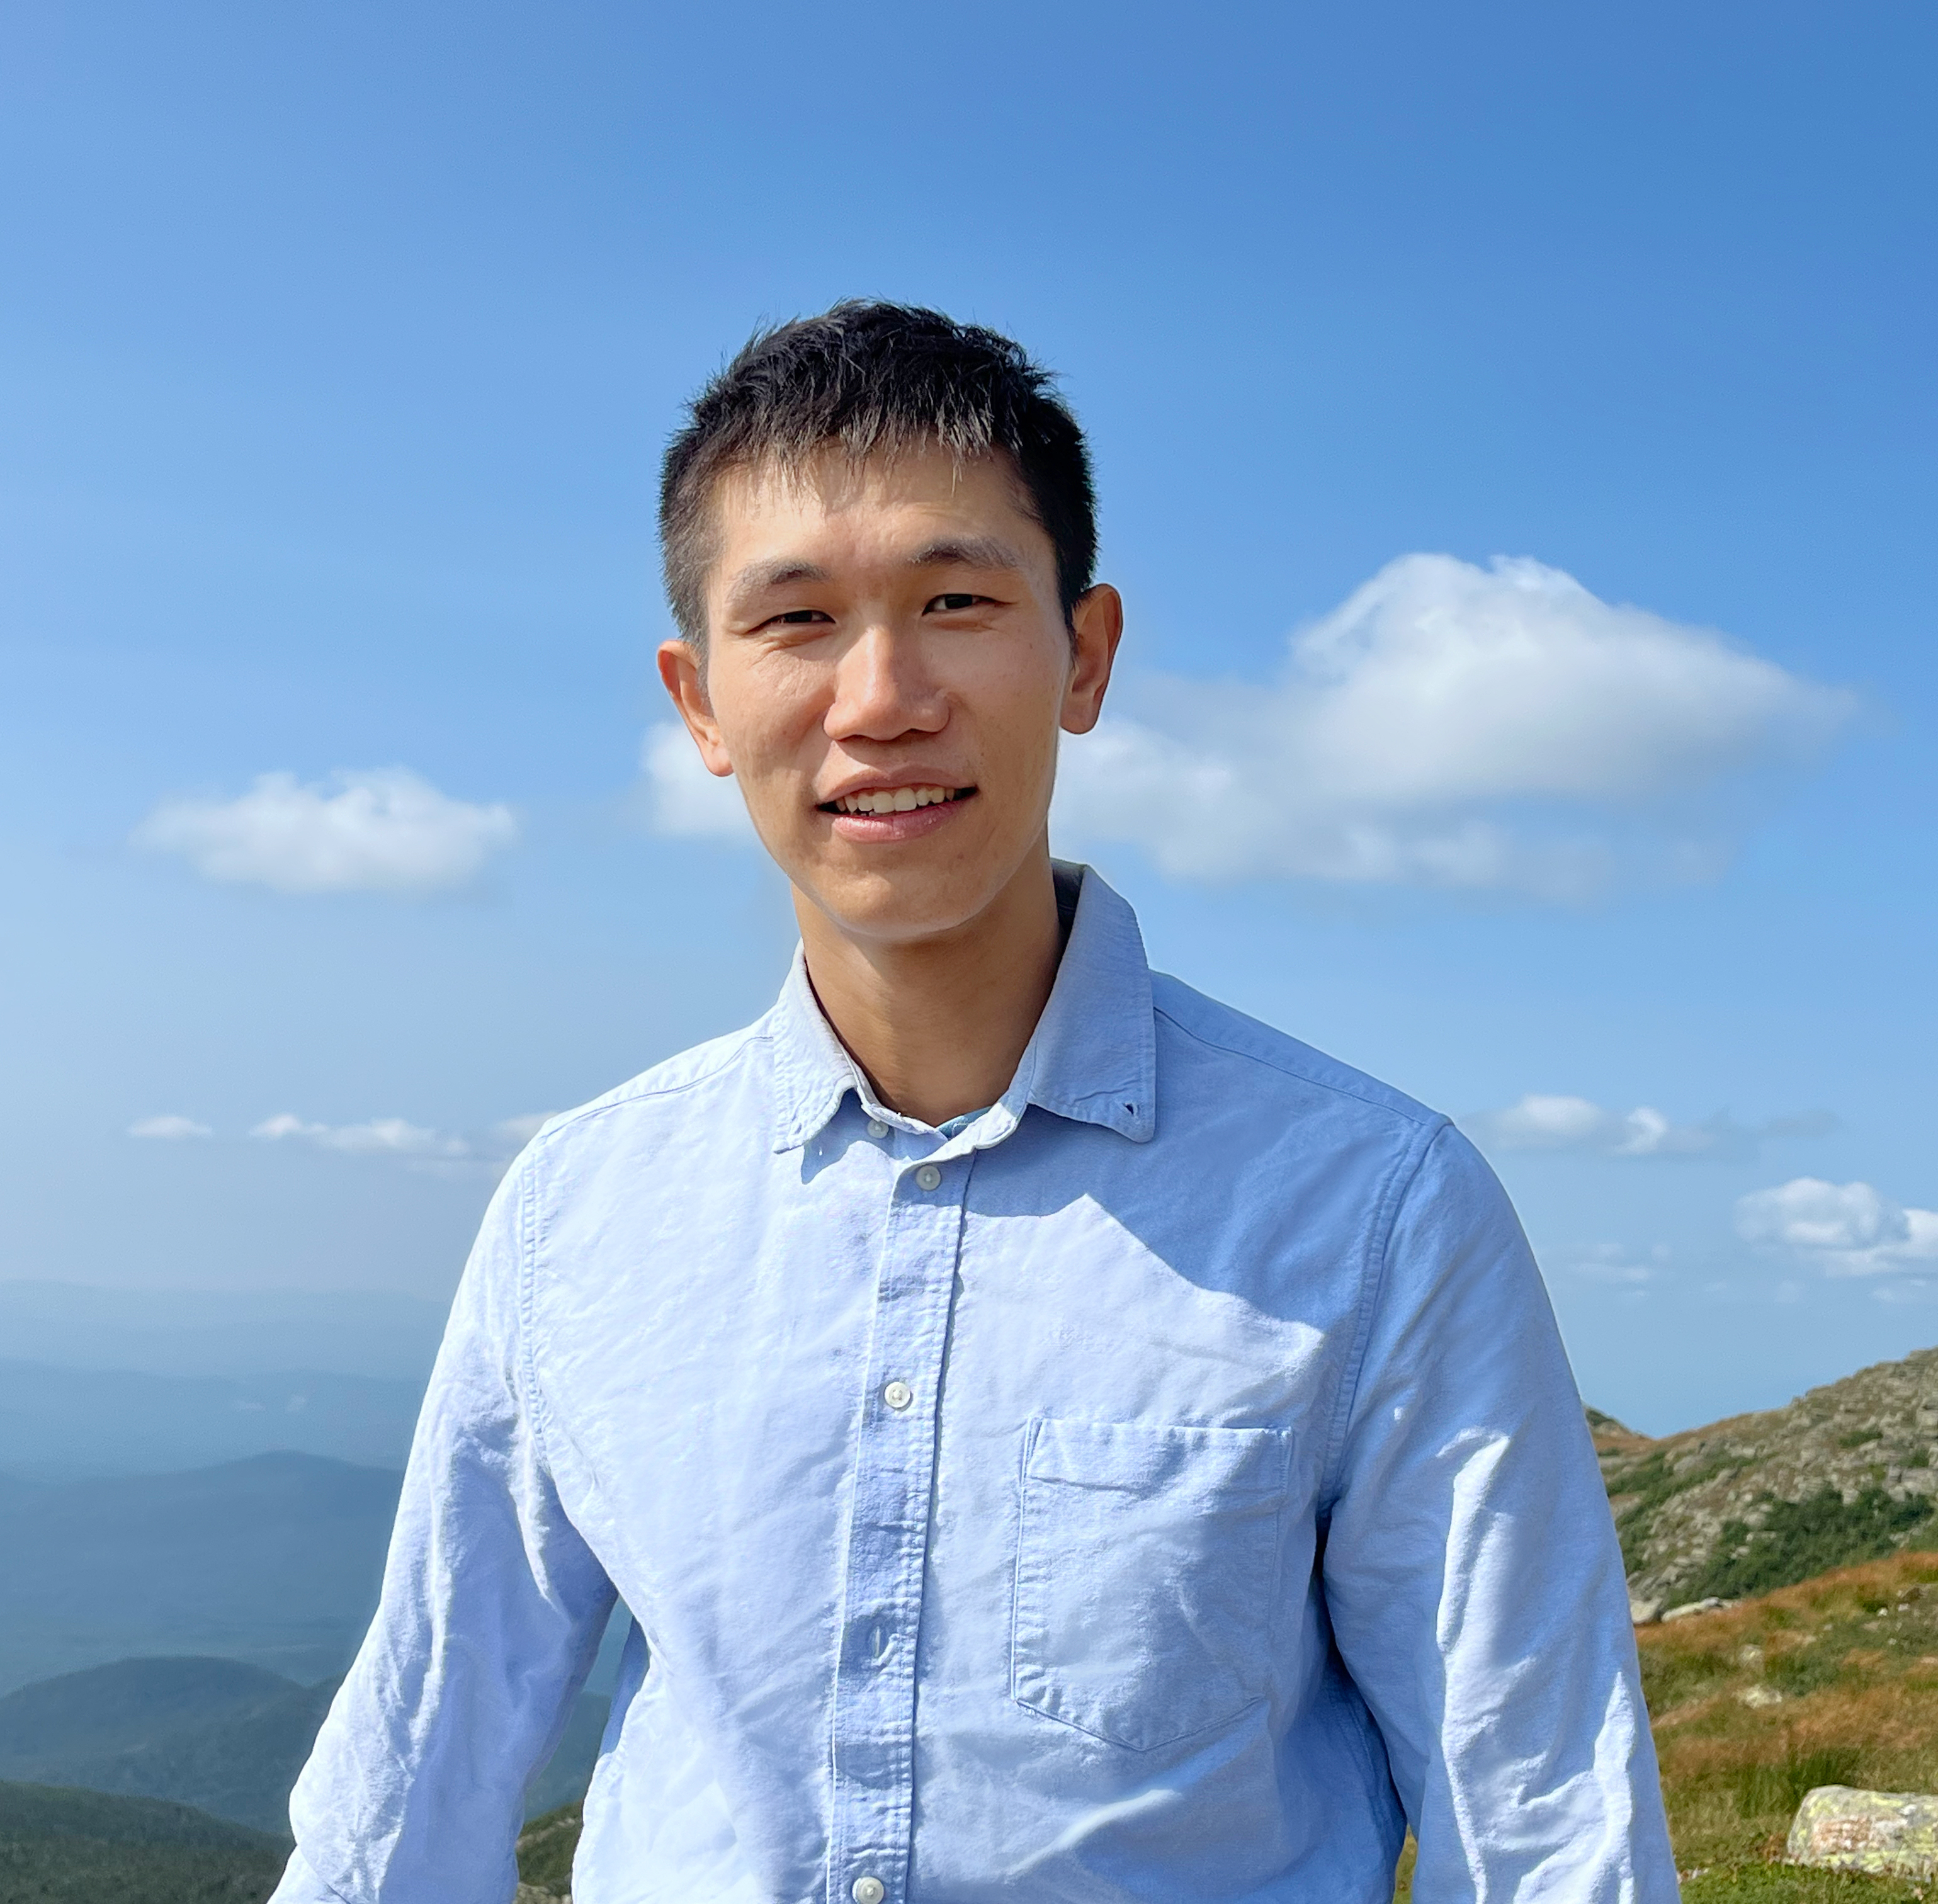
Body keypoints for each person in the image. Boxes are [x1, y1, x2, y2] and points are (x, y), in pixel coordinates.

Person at [271, 301, 1677, 1903]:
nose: (881, 698)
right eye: (796, 620)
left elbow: (1545, 1826)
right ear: (700, 703)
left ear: (1086, 656)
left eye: (956, 601)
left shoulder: (1373, 1208)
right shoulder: (581, 1213)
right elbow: (416, 1779)